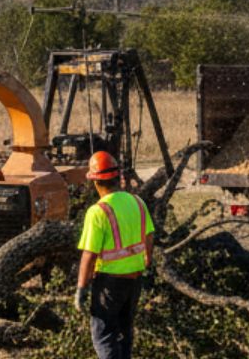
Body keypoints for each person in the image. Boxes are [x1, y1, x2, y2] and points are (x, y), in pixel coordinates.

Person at [73, 150, 154, 359]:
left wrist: (81, 289)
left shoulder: (98, 212)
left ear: (95, 182)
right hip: (134, 280)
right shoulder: (138, 202)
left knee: (104, 336)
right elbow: (149, 235)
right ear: (118, 177)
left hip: (109, 284)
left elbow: (89, 256)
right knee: (124, 334)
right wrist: (147, 261)